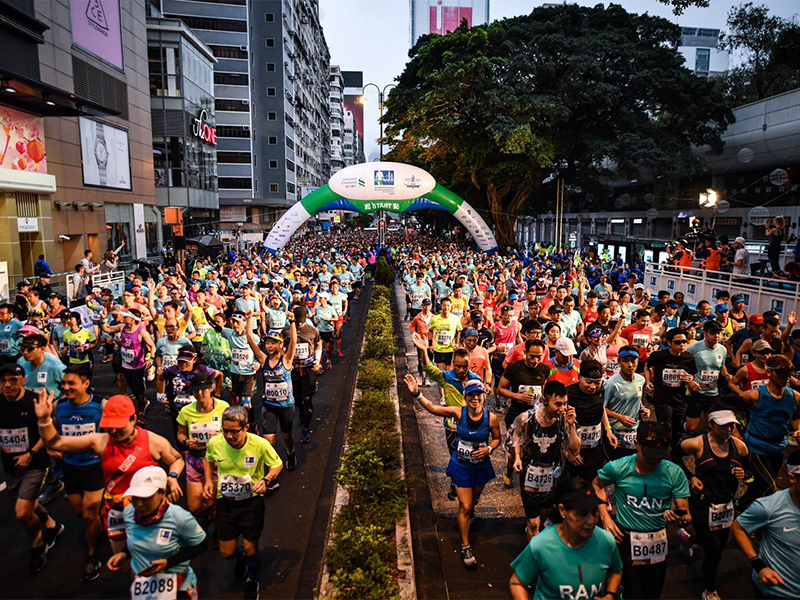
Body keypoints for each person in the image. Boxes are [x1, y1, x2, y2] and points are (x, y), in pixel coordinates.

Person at [34, 393, 185, 554]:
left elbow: (176, 459)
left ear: (133, 419)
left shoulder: (153, 441)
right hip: (117, 510)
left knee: (153, 555)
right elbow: (56, 442)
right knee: (121, 558)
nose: (114, 431)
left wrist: (173, 477)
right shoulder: (100, 442)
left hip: (148, 509)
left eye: (119, 426)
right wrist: (44, 420)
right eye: (109, 425)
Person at [405, 376, 500, 569]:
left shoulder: (491, 418)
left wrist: (489, 449)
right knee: (465, 506)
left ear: (483, 397)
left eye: (478, 395)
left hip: (480, 466)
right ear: (466, 398)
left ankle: (466, 516)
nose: (475, 398)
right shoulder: (459, 413)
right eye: (471, 395)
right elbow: (433, 408)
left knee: (473, 502)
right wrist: (417, 394)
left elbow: (497, 438)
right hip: (462, 466)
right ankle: (465, 545)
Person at [592, 421, 691, 600]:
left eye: (658, 456)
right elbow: (596, 485)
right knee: (633, 592)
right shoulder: (618, 467)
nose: (654, 461)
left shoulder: (674, 472)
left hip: (658, 541)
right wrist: (605, 517)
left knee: (653, 593)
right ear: (637, 444)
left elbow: (685, 513)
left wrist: (680, 519)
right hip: (627, 538)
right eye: (649, 455)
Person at [203, 405, 283, 599]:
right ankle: (240, 557)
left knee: (251, 547)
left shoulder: (259, 444)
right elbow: (208, 459)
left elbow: (277, 464)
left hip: (251, 503)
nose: (229, 436)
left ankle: (252, 579)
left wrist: (266, 480)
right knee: (226, 553)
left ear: (245, 428)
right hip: (226, 503)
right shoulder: (216, 443)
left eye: (234, 432)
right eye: (225, 431)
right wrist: (207, 480)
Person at [671, 401, 749, 600]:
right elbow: (674, 455)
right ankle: (710, 590)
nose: (729, 429)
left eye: (731, 425)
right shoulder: (697, 443)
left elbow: (750, 473)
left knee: (718, 546)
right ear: (712, 424)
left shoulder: (739, 447)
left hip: (725, 505)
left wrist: (743, 474)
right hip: (701, 505)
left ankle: (688, 539)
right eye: (724, 425)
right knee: (714, 551)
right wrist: (691, 477)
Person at [509, 478, 623, 600]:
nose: (591, 521)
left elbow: (616, 570)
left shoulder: (606, 542)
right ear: (563, 511)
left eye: (594, 512)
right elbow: (517, 583)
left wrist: (610, 595)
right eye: (582, 514)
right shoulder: (540, 546)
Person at [107, 466, 208, 599]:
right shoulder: (129, 513)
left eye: (146, 498)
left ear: (163, 492)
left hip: (177, 588)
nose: (139, 504)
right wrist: (124, 553)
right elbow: (135, 538)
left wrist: (168, 562)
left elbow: (202, 544)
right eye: (135, 498)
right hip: (143, 587)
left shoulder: (180, 518)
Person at [0, 368, 64, 574]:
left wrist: (32, 453)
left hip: (35, 464)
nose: (7, 385)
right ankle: (52, 525)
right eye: (3, 381)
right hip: (11, 465)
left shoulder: (35, 401)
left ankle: (38, 544)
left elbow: (47, 429)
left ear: (23, 381)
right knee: (28, 504)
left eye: (12, 380)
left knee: (21, 512)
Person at [411, 331, 481, 500]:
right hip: (452, 427)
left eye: (465, 366)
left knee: (469, 457)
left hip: (471, 428)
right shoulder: (447, 377)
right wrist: (423, 350)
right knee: (456, 456)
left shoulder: (475, 380)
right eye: (458, 366)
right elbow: (429, 369)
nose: (461, 370)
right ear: (452, 364)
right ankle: (456, 483)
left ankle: (462, 484)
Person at [53, 366, 105, 582]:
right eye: (64, 384)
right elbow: (54, 428)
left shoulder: (100, 405)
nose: (66, 387)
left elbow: (115, 429)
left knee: (89, 514)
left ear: (85, 384)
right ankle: (100, 522)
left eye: (71, 383)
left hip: (94, 467)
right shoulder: (59, 406)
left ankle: (93, 556)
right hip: (70, 466)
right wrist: (53, 445)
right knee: (78, 511)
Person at [512, 380, 580, 539]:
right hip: (530, 477)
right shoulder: (527, 418)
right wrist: (517, 457)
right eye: (557, 404)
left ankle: (534, 531)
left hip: (553, 477)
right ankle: (533, 557)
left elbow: (575, 450)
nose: (562, 408)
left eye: (565, 403)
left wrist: (572, 426)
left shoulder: (564, 420)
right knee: (534, 523)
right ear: (544, 401)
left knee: (543, 517)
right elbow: (515, 434)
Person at [731, 448, 800, 600]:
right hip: (777, 592)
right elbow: (737, 527)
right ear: (792, 477)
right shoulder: (769, 506)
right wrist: (758, 565)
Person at [738, 355, 800, 506]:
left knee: (759, 487)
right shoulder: (753, 396)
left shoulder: (796, 397)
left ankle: (741, 504)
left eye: (788, 376)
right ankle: (762, 526)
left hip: (778, 448)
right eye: (781, 374)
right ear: (769, 372)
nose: (785, 379)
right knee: (770, 491)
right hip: (756, 448)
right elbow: (730, 411)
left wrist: (798, 430)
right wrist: (736, 436)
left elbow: (795, 420)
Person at [246, 313, 297, 478]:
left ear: (280, 344)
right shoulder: (263, 360)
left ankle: (290, 453)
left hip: (286, 406)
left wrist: (293, 322)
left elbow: (294, 342)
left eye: (272, 343)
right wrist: (248, 320)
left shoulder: (286, 361)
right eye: (267, 342)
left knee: (287, 436)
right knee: (269, 439)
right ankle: (272, 471)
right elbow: (250, 341)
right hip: (269, 406)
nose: (268, 346)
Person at [176, 371, 229, 522]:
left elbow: (232, 431)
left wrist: (221, 436)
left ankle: (218, 532)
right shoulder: (186, 411)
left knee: (212, 502)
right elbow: (180, 434)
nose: (200, 393)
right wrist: (186, 441)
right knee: (194, 508)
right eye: (196, 390)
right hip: (195, 460)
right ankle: (210, 521)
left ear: (211, 388)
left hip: (215, 461)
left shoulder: (223, 407)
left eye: (203, 389)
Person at [497, 339, 550, 487]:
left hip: (535, 416)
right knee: (515, 451)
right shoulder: (514, 368)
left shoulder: (544, 369)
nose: (535, 360)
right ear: (525, 353)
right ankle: (509, 468)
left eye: (539, 357)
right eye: (532, 356)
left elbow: (544, 389)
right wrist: (518, 396)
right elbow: (500, 389)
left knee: (532, 448)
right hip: (516, 414)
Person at [566, 360, 618, 483]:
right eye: (588, 382)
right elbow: (557, 424)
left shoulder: (601, 391)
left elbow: (601, 409)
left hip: (594, 450)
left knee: (591, 486)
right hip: (575, 452)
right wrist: (568, 452)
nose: (593, 387)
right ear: (579, 377)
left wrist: (608, 430)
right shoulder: (568, 394)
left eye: (597, 383)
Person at [645, 326, 697, 446]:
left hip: (680, 399)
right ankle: (663, 449)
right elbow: (647, 366)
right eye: (678, 342)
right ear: (669, 343)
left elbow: (692, 375)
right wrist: (648, 381)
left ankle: (673, 450)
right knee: (665, 426)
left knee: (677, 427)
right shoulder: (658, 356)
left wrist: (690, 379)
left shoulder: (689, 358)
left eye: (684, 342)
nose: (682, 345)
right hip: (662, 398)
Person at [686, 320, 731, 433]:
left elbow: (721, 366)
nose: (716, 336)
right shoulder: (694, 348)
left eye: (718, 333)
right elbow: (682, 366)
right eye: (713, 333)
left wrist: (727, 376)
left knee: (713, 426)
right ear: (705, 334)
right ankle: (679, 429)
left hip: (713, 392)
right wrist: (690, 381)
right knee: (692, 427)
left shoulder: (723, 349)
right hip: (697, 392)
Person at [604, 346, 648, 458]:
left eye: (633, 361)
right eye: (625, 361)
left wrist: (643, 408)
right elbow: (602, 408)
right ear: (619, 361)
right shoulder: (611, 384)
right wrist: (620, 417)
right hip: (615, 430)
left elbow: (638, 398)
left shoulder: (640, 380)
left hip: (634, 430)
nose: (630, 365)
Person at [429, 296, 462, 370]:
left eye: (448, 305)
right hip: (439, 350)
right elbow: (430, 330)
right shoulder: (435, 319)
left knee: (448, 373)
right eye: (444, 305)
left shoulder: (455, 318)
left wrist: (457, 343)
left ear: (451, 306)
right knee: (442, 373)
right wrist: (430, 344)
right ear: (441, 306)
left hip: (450, 350)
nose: (446, 308)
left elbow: (460, 331)